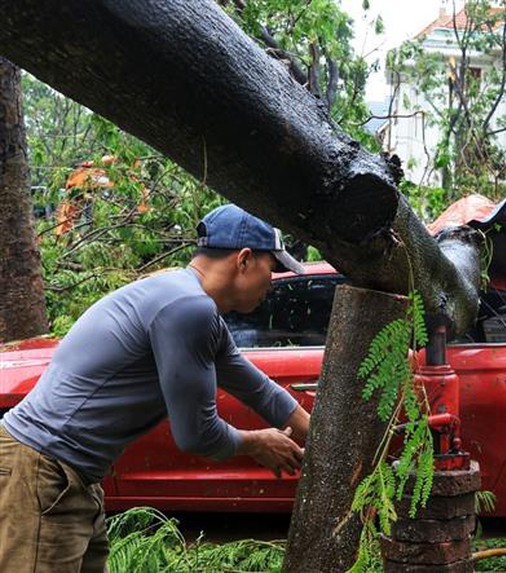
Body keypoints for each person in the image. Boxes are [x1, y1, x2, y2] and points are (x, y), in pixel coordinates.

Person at [0, 203, 311, 572]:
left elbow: (260, 391)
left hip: (71, 474)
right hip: (43, 470)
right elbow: (196, 435)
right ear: (244, 260)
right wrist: (258, 443)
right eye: (272, 269)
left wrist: (326, 444)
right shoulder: (188, 309)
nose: (272, 282)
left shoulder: (186, 301)